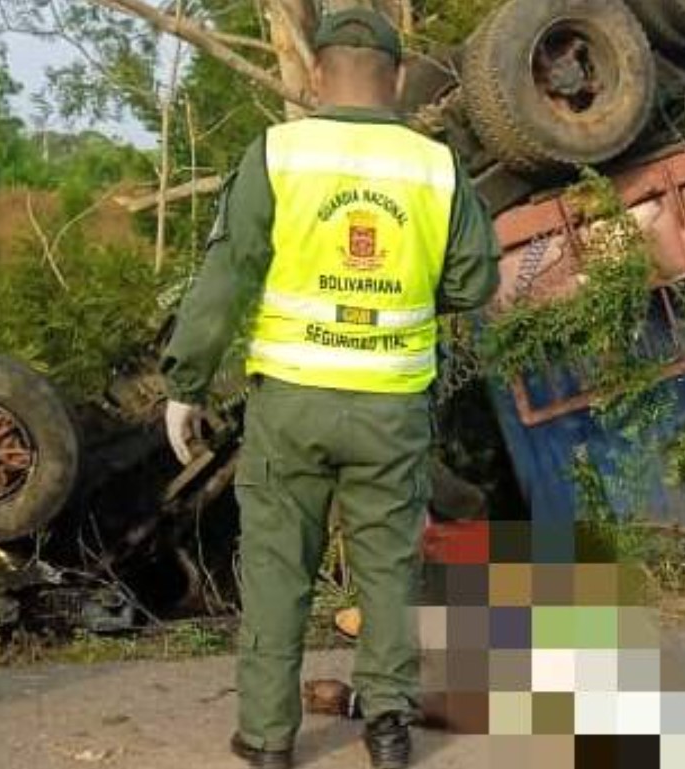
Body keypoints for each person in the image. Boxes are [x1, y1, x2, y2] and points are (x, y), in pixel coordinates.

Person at [159, 9, 500, 769]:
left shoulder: (279, 152)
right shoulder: (433, 166)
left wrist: (185, 381)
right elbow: (477, 277)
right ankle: (386, 729)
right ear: (401, 79)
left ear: (316, 76)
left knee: (280, 567)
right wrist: (401, 298)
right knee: (387, 568)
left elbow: (228, 274)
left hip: (292, 401)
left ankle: (271, 738)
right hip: (391, 404)